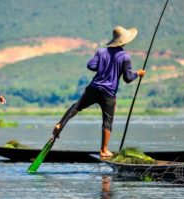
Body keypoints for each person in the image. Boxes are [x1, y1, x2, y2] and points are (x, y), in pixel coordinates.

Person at [53, 26, 146, 157]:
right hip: (108, 93)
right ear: (124, 42)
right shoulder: (125, 57)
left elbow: (90, 65)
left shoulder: (101, 52)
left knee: (77, 107)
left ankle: (60, 124)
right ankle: (104, 150)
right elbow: (128, 78)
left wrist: (102, 67)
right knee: (107, 121)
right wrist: (139, 73)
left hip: (93, 87)